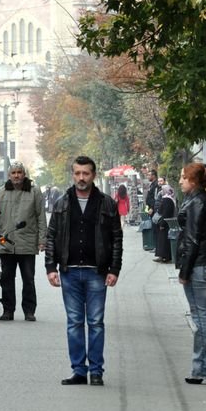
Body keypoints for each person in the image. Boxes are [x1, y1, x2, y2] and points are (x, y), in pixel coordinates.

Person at [46, 156, 123, 386]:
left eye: (86, 173)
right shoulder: (62, 203)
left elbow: (116, 238)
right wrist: (50, 267)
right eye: (77, 173)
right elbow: (51, 236)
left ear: (93, 175)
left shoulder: (106, 203)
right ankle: (79, 371)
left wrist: (114, 269)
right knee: (74, 322)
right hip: (69, 272)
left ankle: (96, 371)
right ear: (73, 175)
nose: (81, 178)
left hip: (97, 272)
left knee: (96, 322)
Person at [176, 163, 206, 384]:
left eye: (183, 177)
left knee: (201, 316)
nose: (180, 181)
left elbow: (192, 239)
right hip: (204, 262)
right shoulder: (201, 200)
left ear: (193, 181)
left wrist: (184, 271)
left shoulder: (197, 202)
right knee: (205, 315)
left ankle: (202, 368)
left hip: (198, 264)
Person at [0, 161, 47, 321]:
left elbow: (41, 217)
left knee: (28, 279)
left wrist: (42, 240)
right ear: (9, 175)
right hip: (5, 243)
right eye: (13, 173)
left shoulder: (34, 192)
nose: (16, 175)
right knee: (6, 279)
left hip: (27, 243)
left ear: (24, 174)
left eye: (19, 172)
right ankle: (8, 311)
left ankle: (29, 311)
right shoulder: (0, 193)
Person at [153, 184, 177, 263]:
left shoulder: (167, 200)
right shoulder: (170, 198)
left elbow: (166, 213)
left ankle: (164, 257)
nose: (161, 192)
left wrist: (162, 224)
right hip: (167, 223)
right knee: (163, 241)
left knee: (163, 241)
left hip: (165, 223)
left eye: (163, 190)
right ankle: (163, 256)